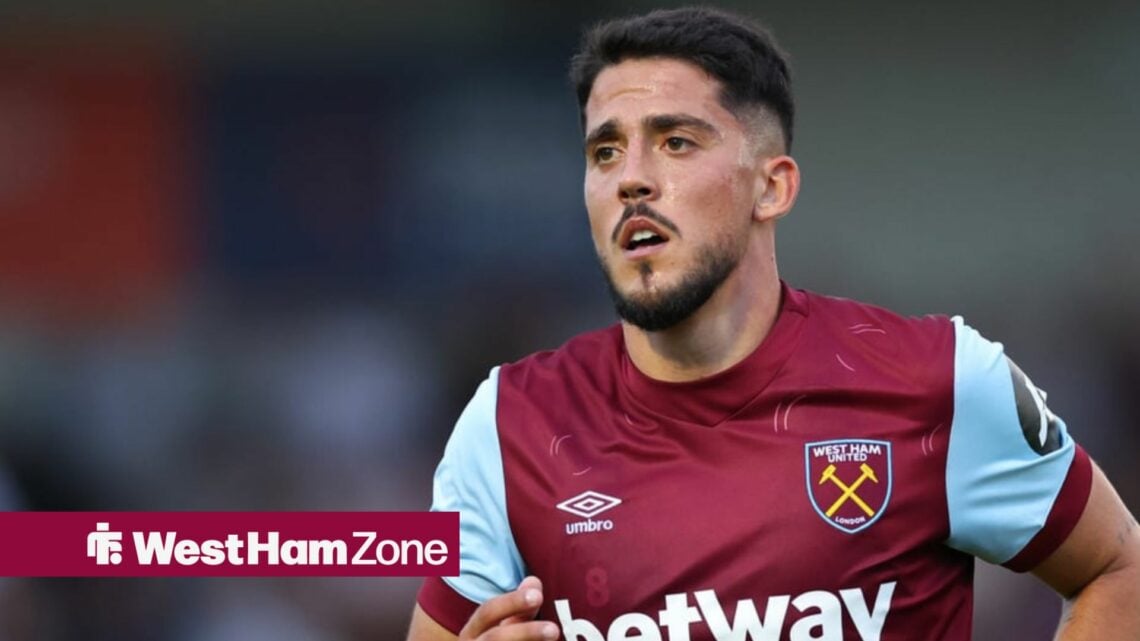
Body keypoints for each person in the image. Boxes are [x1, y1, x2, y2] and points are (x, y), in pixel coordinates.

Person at [406, 7, 1140, 640]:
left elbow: (1119, 568)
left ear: (771, 186)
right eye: (605, 151)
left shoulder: (940, 379)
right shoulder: (507, 423)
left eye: (675, 141)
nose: (631, 178)